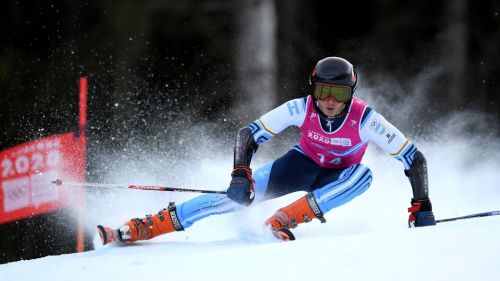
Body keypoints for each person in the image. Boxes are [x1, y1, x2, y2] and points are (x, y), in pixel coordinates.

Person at [97, 56, 436, 244]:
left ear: (352, 93)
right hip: (299, 165)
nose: (331, 101)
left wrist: (421, 202)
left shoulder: (366, 119)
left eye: (340, 93)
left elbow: (413, 157)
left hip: (337, 178)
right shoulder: (300, 108)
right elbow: (250, 133)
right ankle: (145, 226)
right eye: (323, 91)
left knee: (364, 176)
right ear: (313, 90)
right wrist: (240, 174)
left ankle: (283, 219)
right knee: (234, 198)